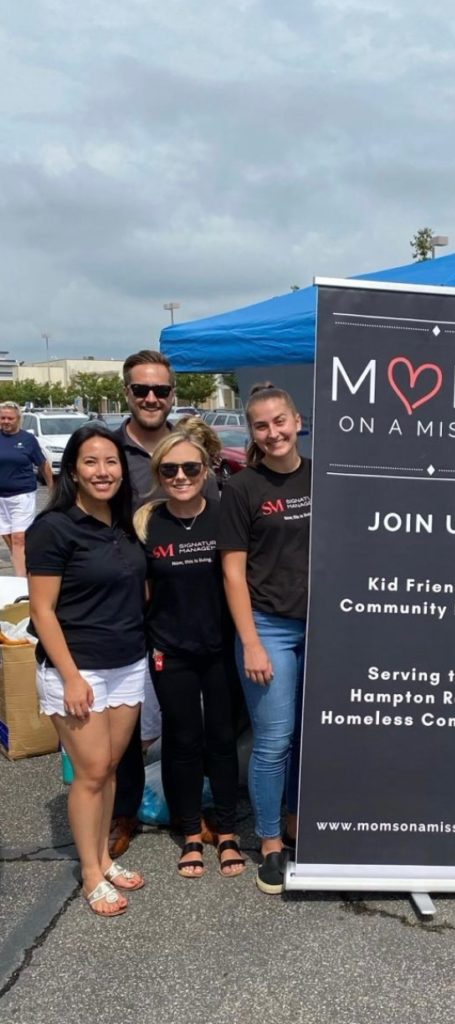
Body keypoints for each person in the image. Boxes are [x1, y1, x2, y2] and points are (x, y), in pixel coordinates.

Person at [26, 424, 147, 916]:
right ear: (72, 470)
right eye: (91, 462)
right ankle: (91, 872)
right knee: (91, 771)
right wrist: (71, 675)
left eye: (111, 461)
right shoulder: (54, 528)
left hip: (128, 663)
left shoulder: (124, 523)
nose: (103, 471)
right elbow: (42, 610)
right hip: (78, 668)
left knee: (109, 767)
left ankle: (103, 857)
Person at [109, 350, 219, 859]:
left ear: (172, 394)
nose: (151, 398)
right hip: (125, 604)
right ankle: (125, 811)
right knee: (127, 718)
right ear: (127, 393)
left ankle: (190, 810)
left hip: (181, 608)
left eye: (160, 390)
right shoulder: (108, 451)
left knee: (184, 719)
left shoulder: (190, 449)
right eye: (141, 389)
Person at [134, 426, 244, 879]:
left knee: (221, 739)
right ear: (158, 473)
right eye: (170, 469)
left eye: (190, 468)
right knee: (181, 741)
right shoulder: (146, 523)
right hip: (170, 650)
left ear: (206, 470)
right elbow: (140, 591)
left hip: (219, 647)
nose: (180, 476)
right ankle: (191, 833)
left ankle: (228, 830)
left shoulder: (225, 515)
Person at [219, 383, 310, 895]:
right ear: (251, 433)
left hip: (324, 627)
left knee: (308, 736)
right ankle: (270, 841)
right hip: (268, 627)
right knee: (273, 741)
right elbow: (233, 573)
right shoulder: (242, 488)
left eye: (280, 421)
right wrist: (251, 641)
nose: (273, 432)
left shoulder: (322, 477)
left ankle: (295, 820)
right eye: (261, 425)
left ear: (297, 421)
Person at [0, 401, 52, 576]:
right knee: (9, 537)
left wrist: (52, 488)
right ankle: (26, 564)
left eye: (10, 418)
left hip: (22, 495)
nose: (6, 421)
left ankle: (21, 580)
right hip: (1, 498)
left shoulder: (28, 440)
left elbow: (43, 465)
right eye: (2, 418)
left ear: (18, 419)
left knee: (19, 538)